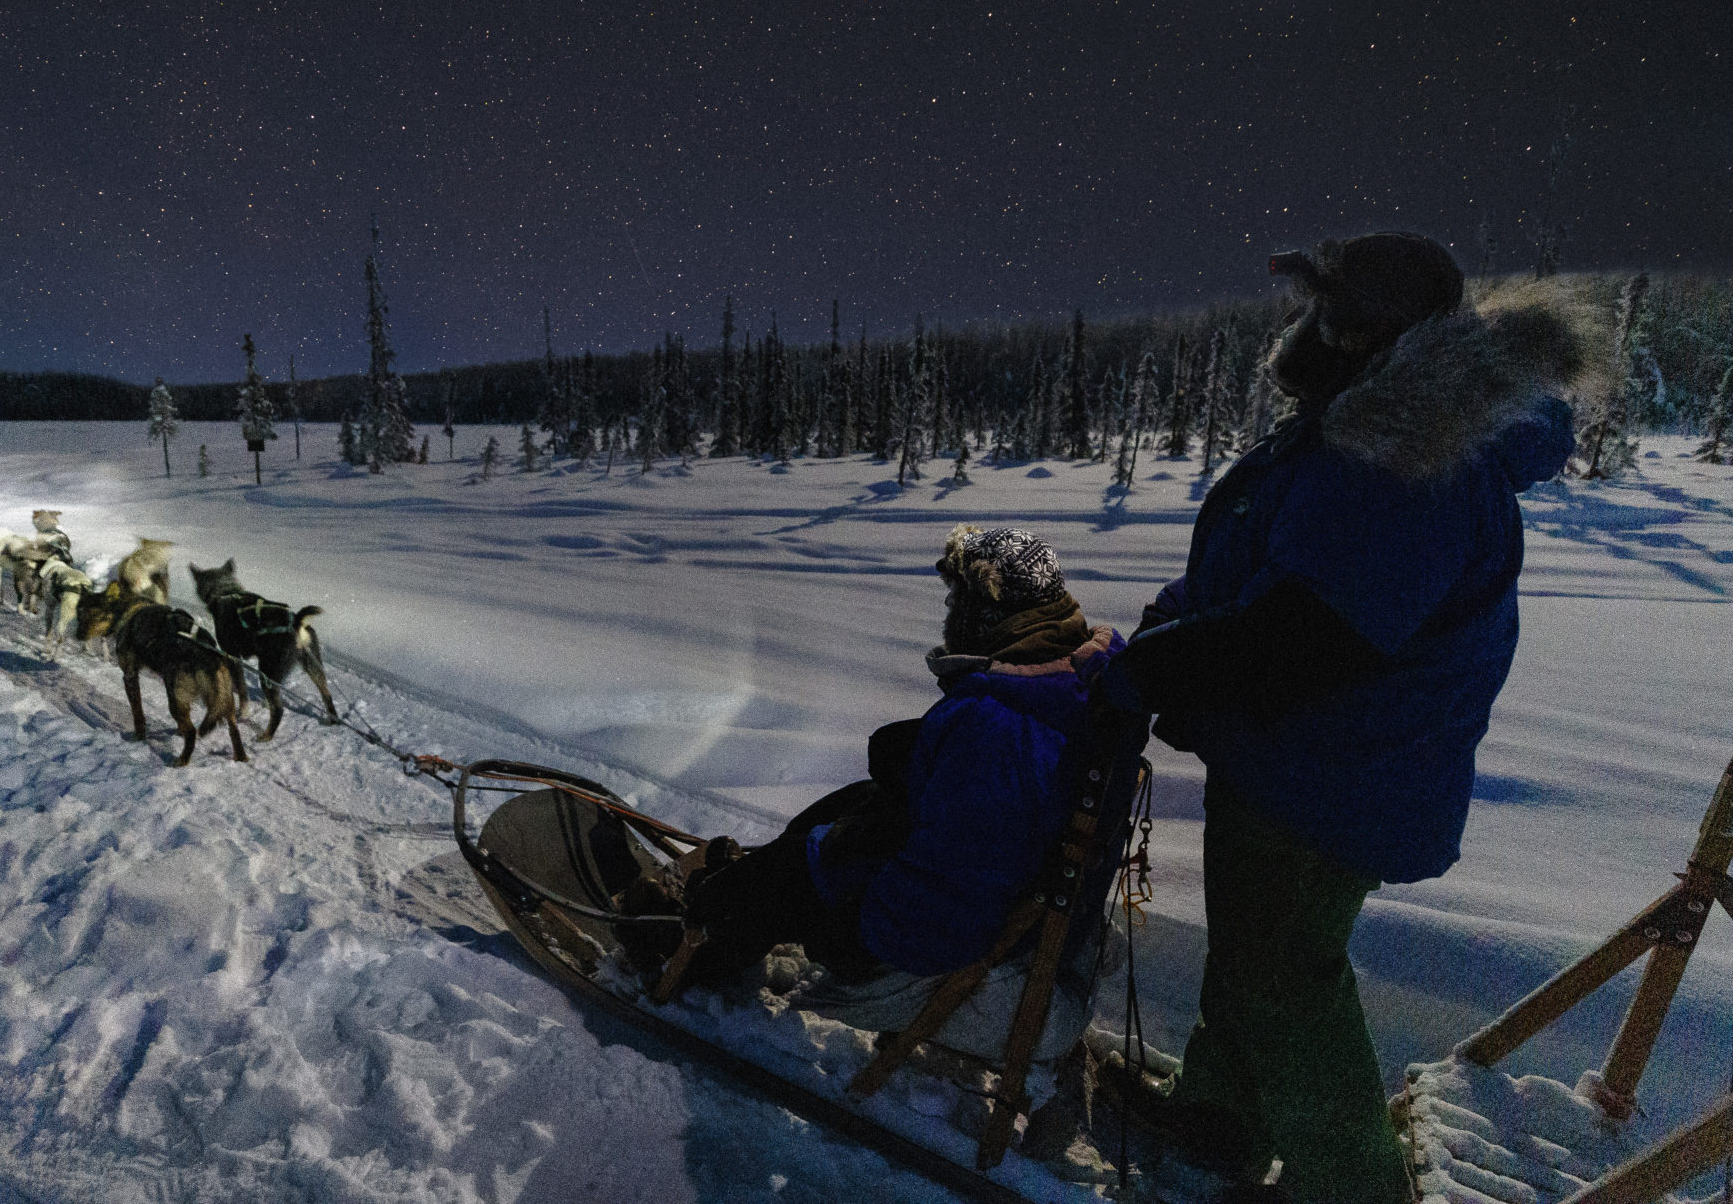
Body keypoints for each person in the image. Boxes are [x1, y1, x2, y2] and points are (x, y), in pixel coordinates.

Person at [1093, 232, 1590, 1202]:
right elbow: (1278, 565)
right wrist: (1169, 625)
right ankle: (1218, 1118)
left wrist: (1157, 664)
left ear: (1369, 330)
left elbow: (1310, 634)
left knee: (1283, 978)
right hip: (1318, 760)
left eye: (1330, 309)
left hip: (1331, 770)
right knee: (1260, 955)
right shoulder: (1382, 421)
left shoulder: (1402, 454)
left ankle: (1350, 1185)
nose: (1305, 323)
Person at [675, 524, 1145, 1066]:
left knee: (793, 873)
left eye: (957, 597)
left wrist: (845, 930)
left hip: (951, 952)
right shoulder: (1080, 682)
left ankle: (680, 944)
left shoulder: (997, 726)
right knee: (846, 814)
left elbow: (950, 905)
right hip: (1031, 915)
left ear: (987, 610)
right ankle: (746, 888)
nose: (950, 610)